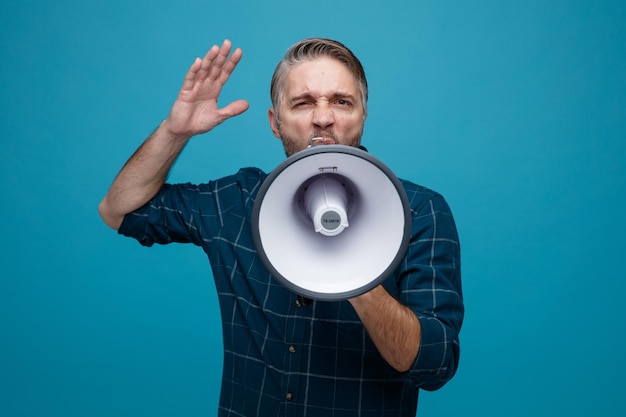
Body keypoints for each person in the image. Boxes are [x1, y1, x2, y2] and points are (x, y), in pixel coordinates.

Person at [99, 38, 463, 416]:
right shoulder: (238, 202)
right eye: (303, 103)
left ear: (363, 115)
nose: (323, 118)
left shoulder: (420, 212)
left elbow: (433, 366)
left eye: (341, 101)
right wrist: (175, 132)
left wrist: (355, 267)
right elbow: (120, 210)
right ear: (275, 123)